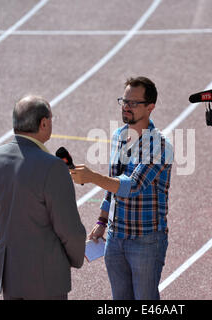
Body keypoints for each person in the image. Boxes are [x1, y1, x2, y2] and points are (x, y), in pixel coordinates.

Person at [70, 76, 173, 300]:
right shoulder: (118, 136)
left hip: (146, 241)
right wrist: (101, 221)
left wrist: (91, 177)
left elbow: (132, 185)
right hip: (116, 238)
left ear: (150, 107)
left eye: (133, 103)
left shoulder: (160, 145)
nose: (126, 106)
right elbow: (112, 185)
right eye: (124, 101)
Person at [0, 95, 86, 300]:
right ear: (44, 123)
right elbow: (69, 228)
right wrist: (75, 258)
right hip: (46, 276)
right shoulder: (53, 166)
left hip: (10, 272)